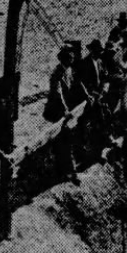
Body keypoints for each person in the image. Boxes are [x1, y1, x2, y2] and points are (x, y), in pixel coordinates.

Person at [43, 46, 81, 184]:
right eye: (70, 57)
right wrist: (65, 111)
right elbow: (57, 93)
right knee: (64, 141)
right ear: (65, 58)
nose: (73, 59)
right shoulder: (57, 73)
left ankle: (64, 170)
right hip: (58, 111)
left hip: (64, 111)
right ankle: (70, 172)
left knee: (63, 141)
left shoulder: (68, 70)